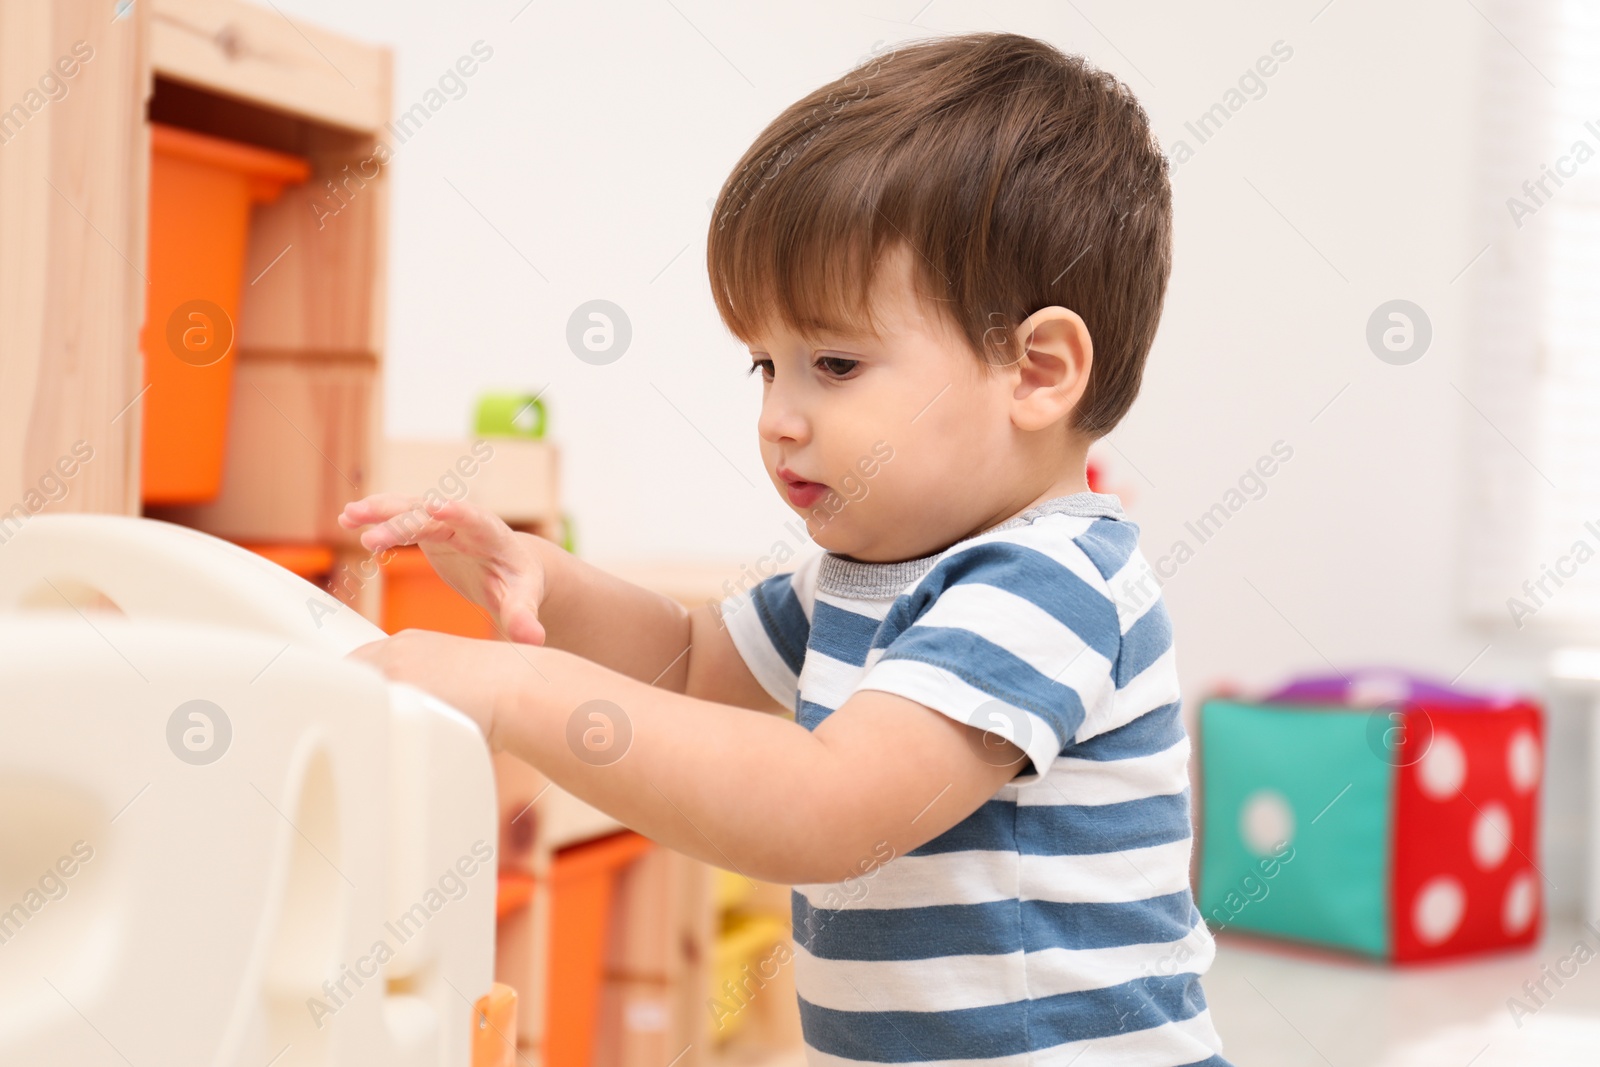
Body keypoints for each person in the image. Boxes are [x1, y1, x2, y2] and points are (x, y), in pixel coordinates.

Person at [343, 30, 1229, 1066]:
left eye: (835, 363)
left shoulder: (1050, 587)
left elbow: (828, 807)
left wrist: (515, 690)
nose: (778, 416)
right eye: (764, 365)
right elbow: (688, 658)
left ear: (1035, 370)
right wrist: (547, 579)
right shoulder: (869, 572)